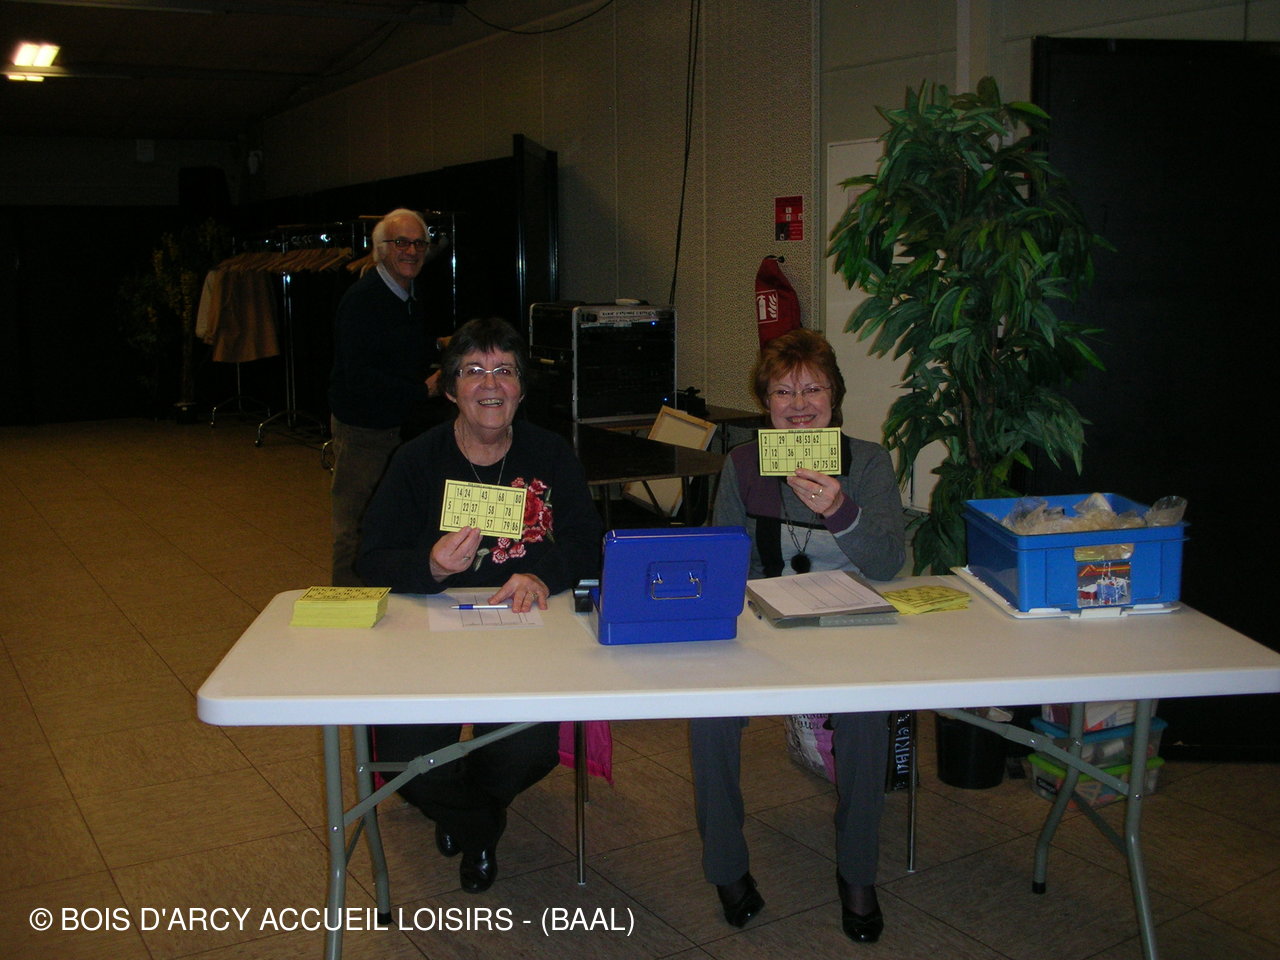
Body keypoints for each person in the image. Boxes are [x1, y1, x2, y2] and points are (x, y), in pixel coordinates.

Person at [357, 316, 603, 894]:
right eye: (473, 371)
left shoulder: (550, 454)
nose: (490, 384)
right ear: (450, 389)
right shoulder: (417, 459)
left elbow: (588, 542)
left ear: (520, 388)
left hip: (525, 637)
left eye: (504, 371)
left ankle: (463, 812)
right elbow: (370, 558)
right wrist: (432, 566)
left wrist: (540, 574)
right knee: (403, 758)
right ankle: (478, 823)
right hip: (427, 639)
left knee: (528, 751)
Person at [690, 328, 905, 943]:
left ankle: (858, 873)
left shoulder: (867, 462)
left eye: (814, 389)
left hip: (851, 623)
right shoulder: (744, 464)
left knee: (866, 717)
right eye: (784, 392)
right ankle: (726, 867)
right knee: (708, 716)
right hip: (763, 622)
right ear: (766, 403)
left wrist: (840, 510)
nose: (800, 403)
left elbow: (890, 563)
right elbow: (725, 559)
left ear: (835, 397)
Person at [327, 207, 445, 587]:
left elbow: (397, 348)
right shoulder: (363, 300)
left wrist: (440, 345)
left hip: (396, 426)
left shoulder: (406, 292)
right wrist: (422, 389)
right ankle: (346, 609)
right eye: (401, 243)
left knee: (391, 524)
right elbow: (358, 376)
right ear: (380, 249)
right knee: (356, 526)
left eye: (419, 243)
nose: (411, 251)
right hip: (363, 431)